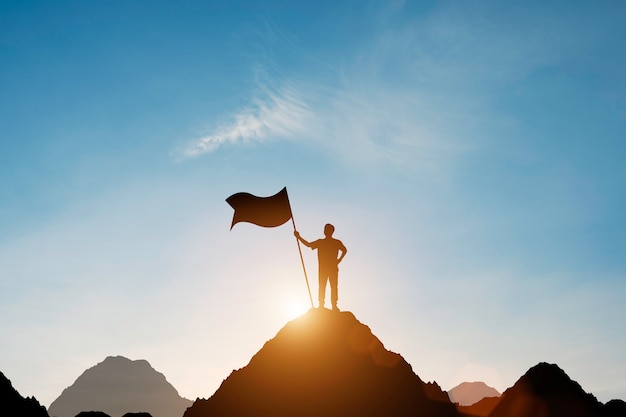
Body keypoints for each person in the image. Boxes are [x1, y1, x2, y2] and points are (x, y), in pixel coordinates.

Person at [294, 224, 347, 311]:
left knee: (331, 286)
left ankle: (332, 305)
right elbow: (308, 245)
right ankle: (323, 304)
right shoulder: (322, 242)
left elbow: (344, 250)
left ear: (329, 231)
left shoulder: (333, 242)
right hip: (325, 269)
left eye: (326, 230)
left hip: (330, 268)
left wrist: (339, 260)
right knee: (324, 286)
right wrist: (298, 237)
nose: (325, 231)